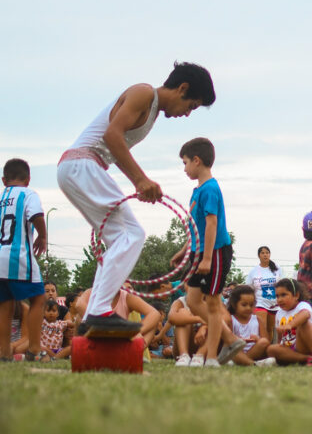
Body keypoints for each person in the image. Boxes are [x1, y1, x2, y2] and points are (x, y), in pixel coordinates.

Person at [57, 62, 215, 334]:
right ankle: (98, 310)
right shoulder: (144, 93)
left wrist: (139, 181)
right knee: (133, 234)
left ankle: (92, 315)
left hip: (80, 168)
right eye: (191, 106)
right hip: (82, 165)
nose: (187, 114)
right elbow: (112, 136)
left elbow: (115, 147)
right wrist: (140, 180)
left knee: (118, 241)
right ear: (182, 88)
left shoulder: (152, 112)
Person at [174, 137, 243, 367]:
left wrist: (206, 258)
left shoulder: (210, 189)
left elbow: (212, 224)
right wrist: (185, 250)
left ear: (197, 160)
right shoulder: (197, 191)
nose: (184, 168)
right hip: (199, 252)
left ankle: (212, 356)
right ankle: (229, 338)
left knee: (212, 303)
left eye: (185, 163)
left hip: (215, 252)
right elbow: (196, 227)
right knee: (193, 301)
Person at [0, 158, 48, 361]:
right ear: (28, 179)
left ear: (3, 180)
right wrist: (43, 236)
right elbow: (36, 215)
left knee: (4, 306)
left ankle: (6, 352)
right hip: (18, 256)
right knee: (38, 299)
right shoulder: (28, 194)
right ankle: (34, 348)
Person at [267, 278, 312, 366]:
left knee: (304, 324)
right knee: (271, 349)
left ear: (296, 295)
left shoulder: (302, 305)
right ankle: (307, 359)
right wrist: (279, 347)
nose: (279, 299)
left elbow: (305, 314)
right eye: (277, 296)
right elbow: (280, 337)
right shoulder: (279, 313)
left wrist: (290, 325)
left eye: (283, 295)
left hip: (305, 346)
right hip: (290, 350)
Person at [224, 284, 270, 366]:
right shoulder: (231, 320)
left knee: (263, 342)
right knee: (233, 347)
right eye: (244, 305)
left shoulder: (257, 319)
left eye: (251, 305)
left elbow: (266, 341)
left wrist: (257, 339)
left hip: (255, 352)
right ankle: (250, 363)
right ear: (234, 305)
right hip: (237, 351)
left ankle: (243, 361)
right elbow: (228, 340)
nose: (248, 308)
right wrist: (239, 340)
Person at [247, 246, 280, 343]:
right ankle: (260, 348)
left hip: (274, 304)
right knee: (262, 328)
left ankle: (268, 349)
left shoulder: (277, 269)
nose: (265, 255)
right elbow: (249, 288)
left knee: (270, 329)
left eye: (267, 253)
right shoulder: (253, 271)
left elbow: (283, 285)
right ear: (259, 256)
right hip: (260, 303)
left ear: (270, 254)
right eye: (262, 253)